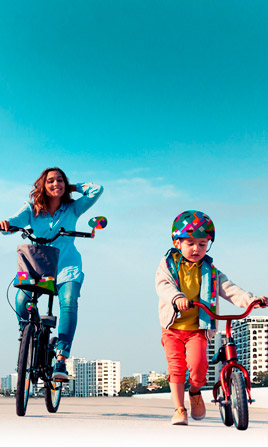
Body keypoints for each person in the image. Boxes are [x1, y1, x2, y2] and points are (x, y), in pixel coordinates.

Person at [155, 210, 268, 426]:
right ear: (177, 242)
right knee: (176, 368)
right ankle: (179, 409)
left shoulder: (211, 270)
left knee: (199, 366)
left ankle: (195, 391)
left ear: (208, 244)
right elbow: (164, 285)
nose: (196, 248)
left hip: (198, 328)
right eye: (190, 243)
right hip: (173, 327)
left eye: (202, 243)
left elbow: (230, 289)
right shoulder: (168, 265)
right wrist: (177, 298)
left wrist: (253, 300)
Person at [0, 167, 103, 381]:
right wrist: (6, 225)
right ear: (42, 186)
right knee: (21, 298)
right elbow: (13, 222)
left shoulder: (73, 208)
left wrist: (71, 187)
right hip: (38, 267)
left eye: (60, 180)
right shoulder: (32, 208)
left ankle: (61, 359)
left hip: (67, 267)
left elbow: (96, 190)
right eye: (50, 181)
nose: (55, 184)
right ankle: (27, 335)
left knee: (68, 301)